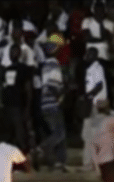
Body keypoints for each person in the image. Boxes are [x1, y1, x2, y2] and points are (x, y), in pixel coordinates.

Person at [39, 36, 69, 171]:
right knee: (59, 134)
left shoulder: (46, 64)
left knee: (58, 133)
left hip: (46, 103)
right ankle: (43, 147)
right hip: (52, 103)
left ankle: (58, 162)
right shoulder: (53, 64)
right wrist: (60, 95)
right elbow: (52, 85)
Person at [2, 44, 34, 154]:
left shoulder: (24, 69)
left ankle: (25, 159)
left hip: (18, 105)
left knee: (21, 134)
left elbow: (28, 88)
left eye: (15, 51)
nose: (13, 54)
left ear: (19, 53)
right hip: (8, 106)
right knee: (10, 135)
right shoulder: (6, 69)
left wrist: (27, 107)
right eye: (11, 52)